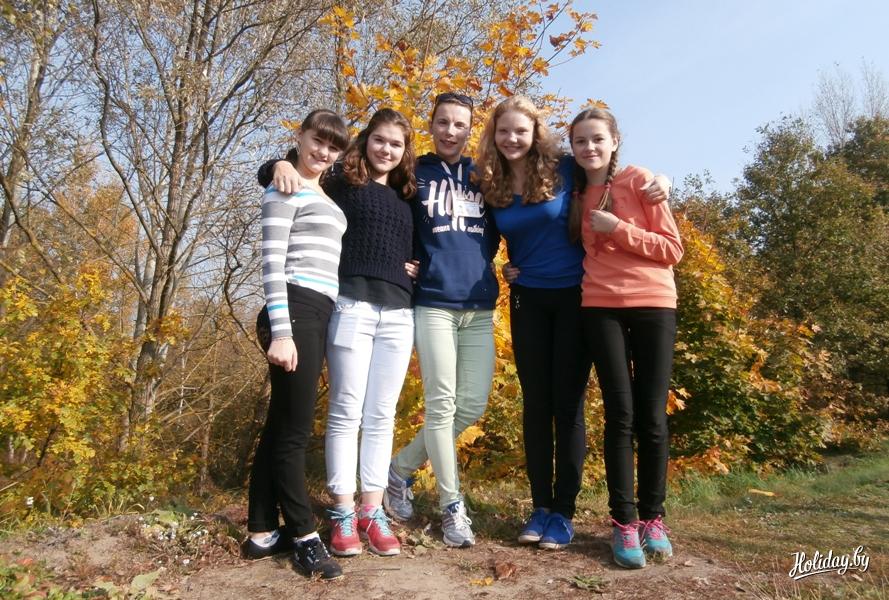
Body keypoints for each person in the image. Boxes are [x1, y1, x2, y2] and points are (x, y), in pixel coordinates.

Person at [476, 96, 671, 551]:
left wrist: (662, 180)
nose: (512, 138)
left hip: (576, 297)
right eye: (503, 131)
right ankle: (540, 507)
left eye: (521, 130)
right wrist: (502, 266)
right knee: (535, 405)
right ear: (493, 135)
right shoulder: (489, 181)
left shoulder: (564, 168)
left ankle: (564, 512)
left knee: (568, 406)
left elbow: (613, 174)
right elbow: (485, 236)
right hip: (527, 298)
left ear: (536, 133)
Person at [260, 108, 417, 559]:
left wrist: (419, 266)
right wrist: (277, 164)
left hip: (399, 312)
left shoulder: (408, 196)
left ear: (405, 151)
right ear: (366, 141)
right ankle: (343, 511)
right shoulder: (342, 183)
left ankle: (372, 509)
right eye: (379, 140)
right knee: (346, 410)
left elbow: (426, 246)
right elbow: (296, 178)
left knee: (382, 414)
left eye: (396, 144)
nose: (386, 149)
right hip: (351, 306)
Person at [382, 93, 500, 548]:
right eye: (443, 122)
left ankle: (400, 469)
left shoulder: (484, 175)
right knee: (442, 404)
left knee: (471, 406)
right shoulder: (412, 172)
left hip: (479, 306)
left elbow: (509, 223)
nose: (451, 131)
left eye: (460, 124)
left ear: (471, 128)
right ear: (430, 125)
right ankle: (453, 507)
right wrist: (281, 166)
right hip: (432, 302)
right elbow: (368, 194)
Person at [570, 107, 683, 568]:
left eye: (597, 139)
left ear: (614, 141)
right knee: (620, 414)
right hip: (599, 306)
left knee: (652, 417)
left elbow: (672, 249)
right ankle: (624, 522)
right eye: (580, 141)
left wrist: (619, 228)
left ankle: (654, 518)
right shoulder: (575, 191)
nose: (589, 148)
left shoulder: (639, 181)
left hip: (654, 303)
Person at [246, 109, 350, 580]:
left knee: (280, 424)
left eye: (332, 146)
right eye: (317, 141)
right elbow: (271, 263)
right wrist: (283, 332)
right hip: (294, 307)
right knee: (295, 431)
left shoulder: (322, 190)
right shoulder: (284, 187)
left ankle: (261, 531)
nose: (323, 152)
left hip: (318, 310)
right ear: (301, 136)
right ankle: (306, 538)